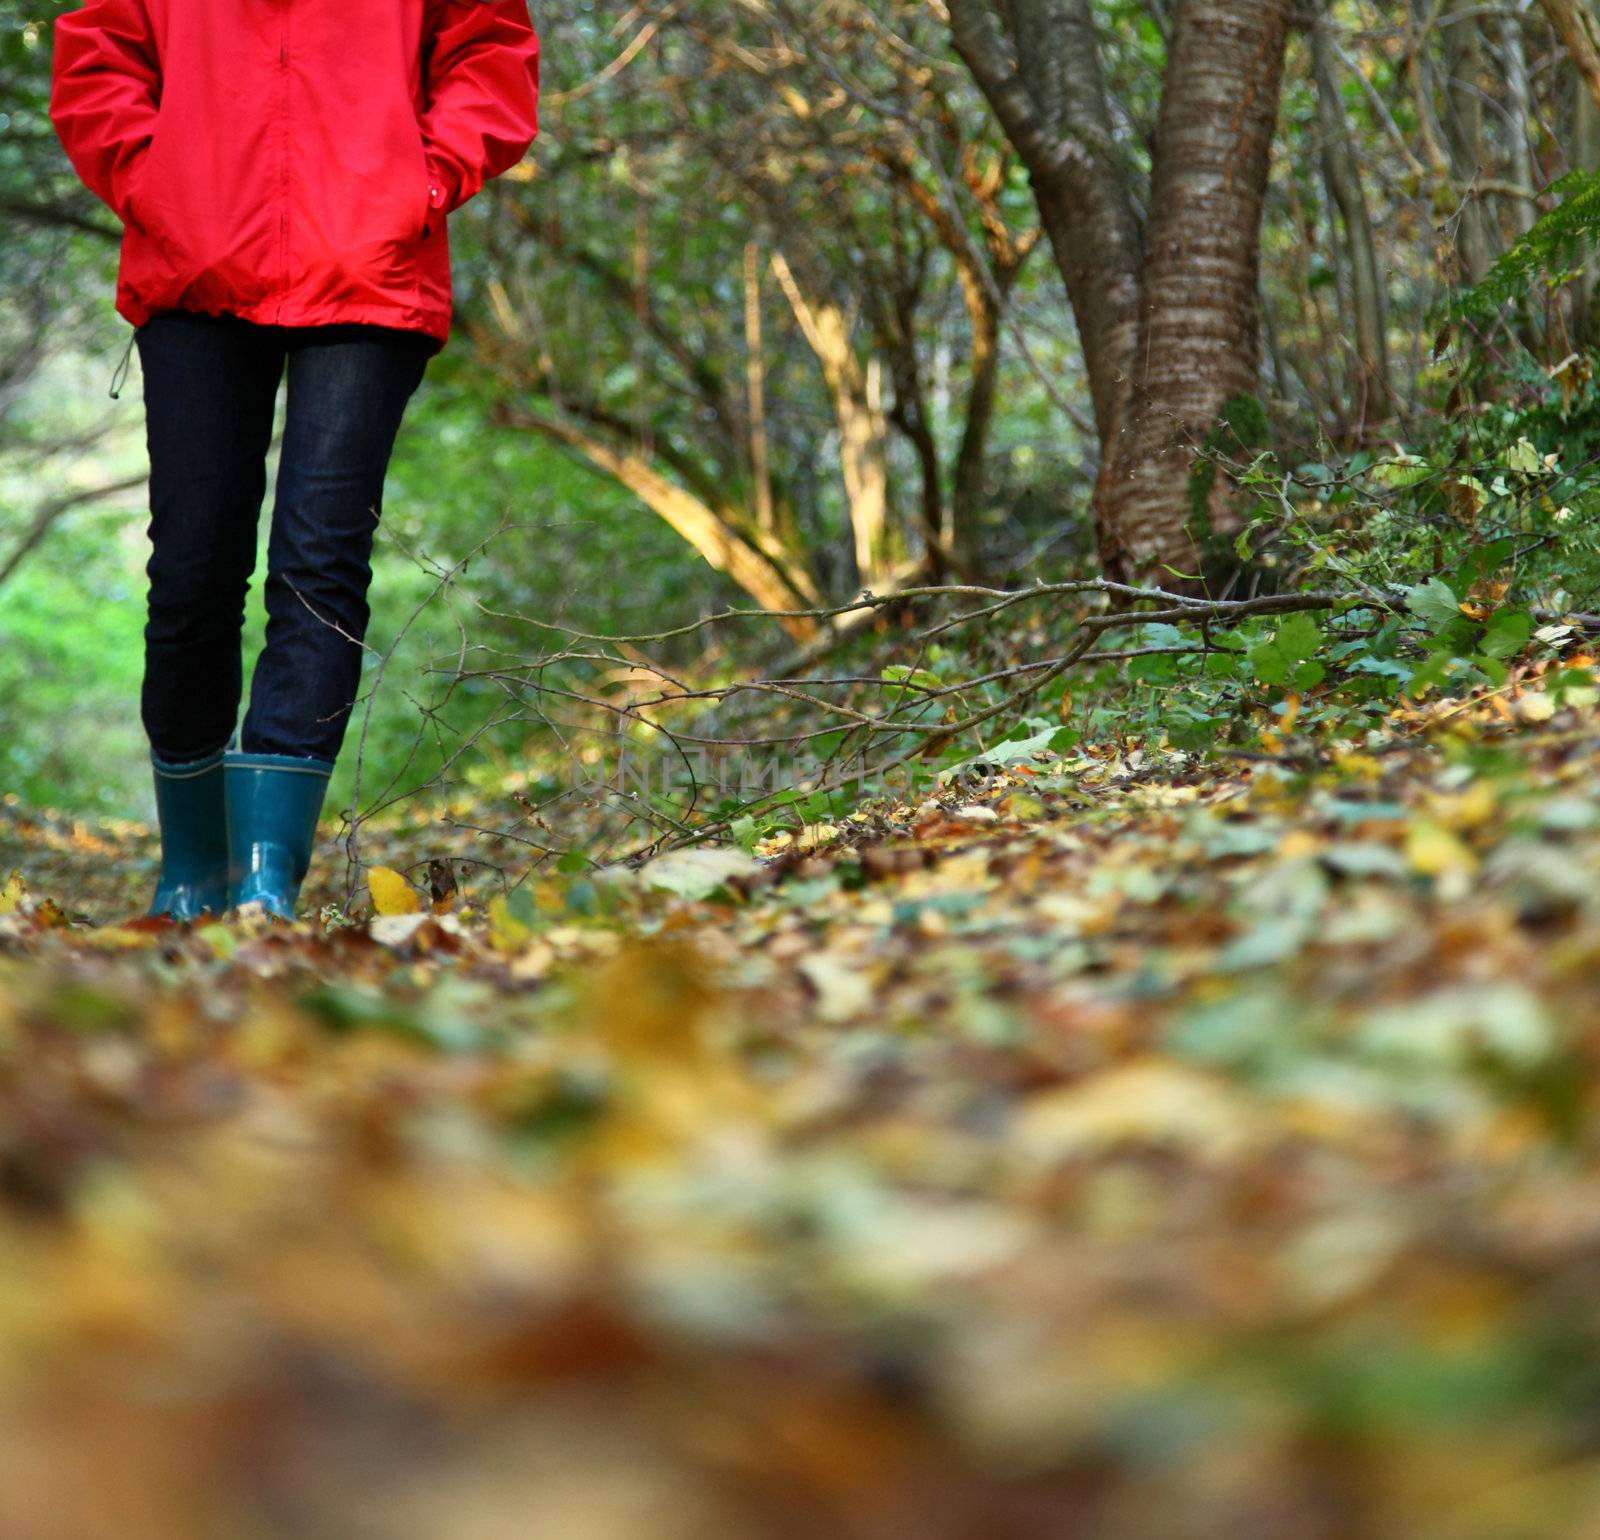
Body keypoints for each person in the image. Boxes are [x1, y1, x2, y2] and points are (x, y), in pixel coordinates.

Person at [48, 0, 540, 921]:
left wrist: (422, 182)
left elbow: (490, 51)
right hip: (196, 265)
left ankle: (268, 877)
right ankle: (193, 868)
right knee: (193, 569)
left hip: (370, 267)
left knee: (320, 564)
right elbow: (97, 53)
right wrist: (155, 185)